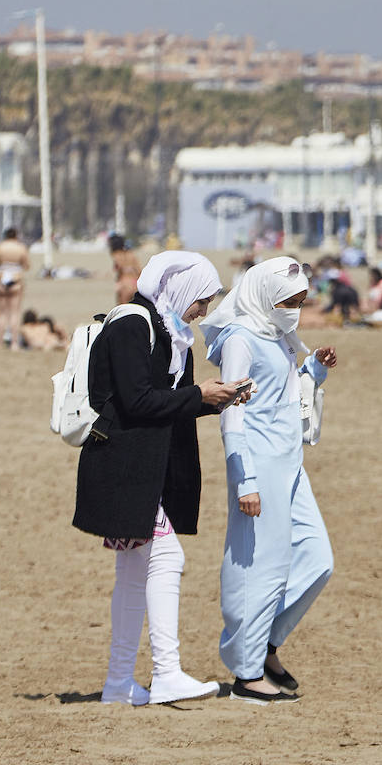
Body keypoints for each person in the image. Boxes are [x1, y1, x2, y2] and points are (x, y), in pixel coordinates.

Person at [74, 250, 246, 706]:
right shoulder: (134, 323)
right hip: (123, 468)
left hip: (144, 470)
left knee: (133, 574)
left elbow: (166, 403)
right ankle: (167, 672)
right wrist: (197, 394)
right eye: (201, 301)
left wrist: (216, 401)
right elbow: (135, 402)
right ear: (181, 288)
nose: (202, 311)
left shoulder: (173, 331)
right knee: (167, 558)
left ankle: (117, 684)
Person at [203, 257, 338, 705]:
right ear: (263, 295)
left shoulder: (277, 333)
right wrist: (245, 481)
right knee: (259, 568)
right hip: (258, 468)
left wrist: (313, 369)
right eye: (289, 301)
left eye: (301, 302)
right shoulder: (241, 339)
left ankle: (267, 645)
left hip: (291, 466)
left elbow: (281, 392)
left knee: (318, 559)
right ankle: (246, 674)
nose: (295, 310)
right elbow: (232, 412)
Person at [0, 227, 29, 351]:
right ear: (16, 236)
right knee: (15, 312)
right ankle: (14, 342)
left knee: (1, 313)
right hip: (15, 279)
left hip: (1, 278)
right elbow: (26, 265)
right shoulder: (20, 248)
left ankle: (0, 342)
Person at [110, 234, 141, 304]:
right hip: (135, 283)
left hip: (124, 283)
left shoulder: (116, 255)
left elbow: (119, 269)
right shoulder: (131, 254)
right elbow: (139, 270)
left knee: (122, 308)